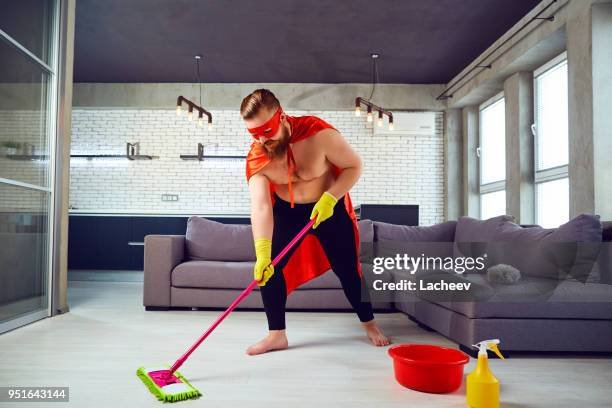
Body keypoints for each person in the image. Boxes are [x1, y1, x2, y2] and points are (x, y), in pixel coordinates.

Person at [242, 89, 390, 355]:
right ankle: (276, 335)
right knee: (270, 270)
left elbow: (354, 166)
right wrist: (262, 253)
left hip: (327, 208)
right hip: (287, 212)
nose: (262, 139)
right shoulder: (258, 159)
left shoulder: (317, 134)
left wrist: (331, 198)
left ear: (282, 117)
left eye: (267, 129)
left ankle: (369, 323)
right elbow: (261, 206)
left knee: (348, 269)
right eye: (254, 134)